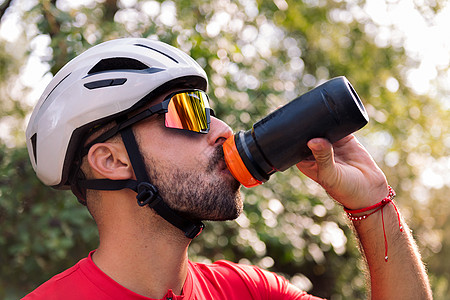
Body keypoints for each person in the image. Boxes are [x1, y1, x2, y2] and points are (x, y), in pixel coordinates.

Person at [23, 38, 432, 299]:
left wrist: (373, 204)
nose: (221, 130)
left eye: (212, 113)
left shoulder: (249, 290)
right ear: (111, 160)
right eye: (189, 112)